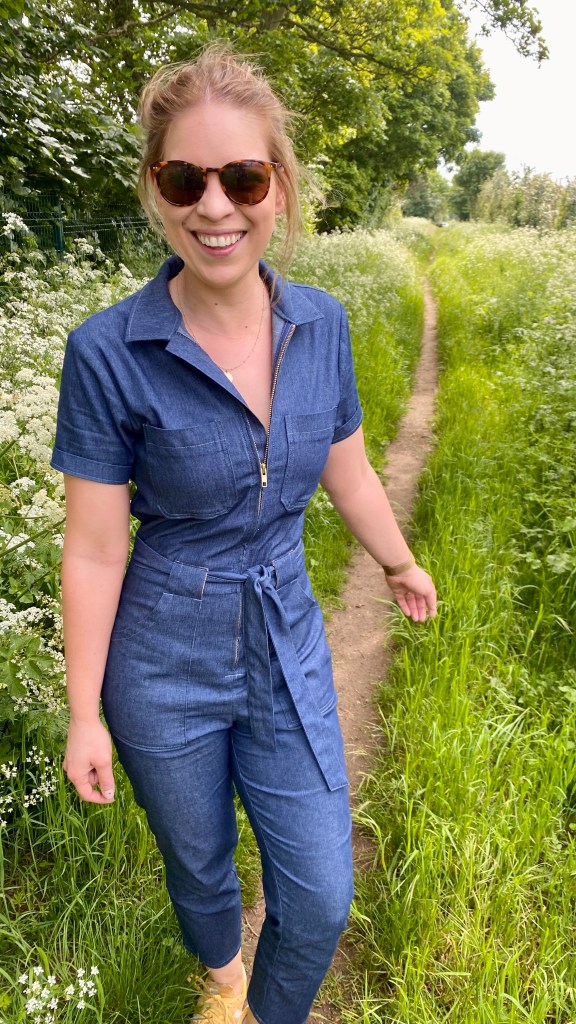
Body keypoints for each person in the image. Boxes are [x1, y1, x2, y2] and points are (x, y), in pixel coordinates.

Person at [51, 44, 436, 1024]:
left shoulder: (324, 325)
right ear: (155, 187)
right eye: (187, 178)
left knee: (318, 892)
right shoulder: (106, 352)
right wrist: (84, 711)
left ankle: (269, 1010)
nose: (215, 206)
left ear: (279, 186)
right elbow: (95, 547)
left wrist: (395, 557)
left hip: (284, 628)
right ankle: (221, 981)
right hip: (161, 648)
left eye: (242, 177)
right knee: (198, 859)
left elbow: (343, 457)